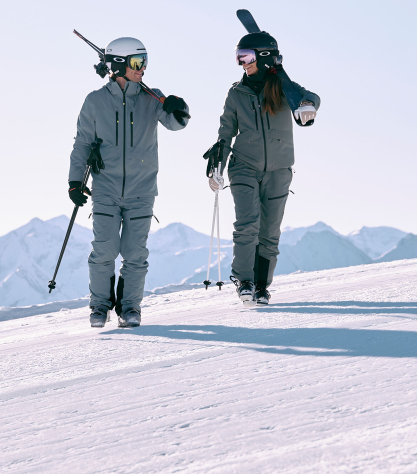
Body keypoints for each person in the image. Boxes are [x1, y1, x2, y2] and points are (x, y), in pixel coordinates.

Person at [69, 37, 189, 328]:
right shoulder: (95, 101)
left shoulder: (153, 98)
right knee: (104, 251)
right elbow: (82, 143)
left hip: (142, 190)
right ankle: (99, 306)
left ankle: (130, 308)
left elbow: (177, 124)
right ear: (119, 65)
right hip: (106, 189)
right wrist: (74, 181)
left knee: (136, 254)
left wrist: (179, 107)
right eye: (138, 62)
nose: (143, 68)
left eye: (145, 61)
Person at [204, 29, 320, 305]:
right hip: (243, 166)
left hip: (279, 169)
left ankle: (261, 286)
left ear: (264, 57)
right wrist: (216, 167)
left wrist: (307, 107)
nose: (241, 62)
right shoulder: (236, 93)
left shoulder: (284, 89)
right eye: (238, 57)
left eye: (245, 56)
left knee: (270, 231)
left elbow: (311, 98)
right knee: (247, 224)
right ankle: (244, 281)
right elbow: (225, 132)